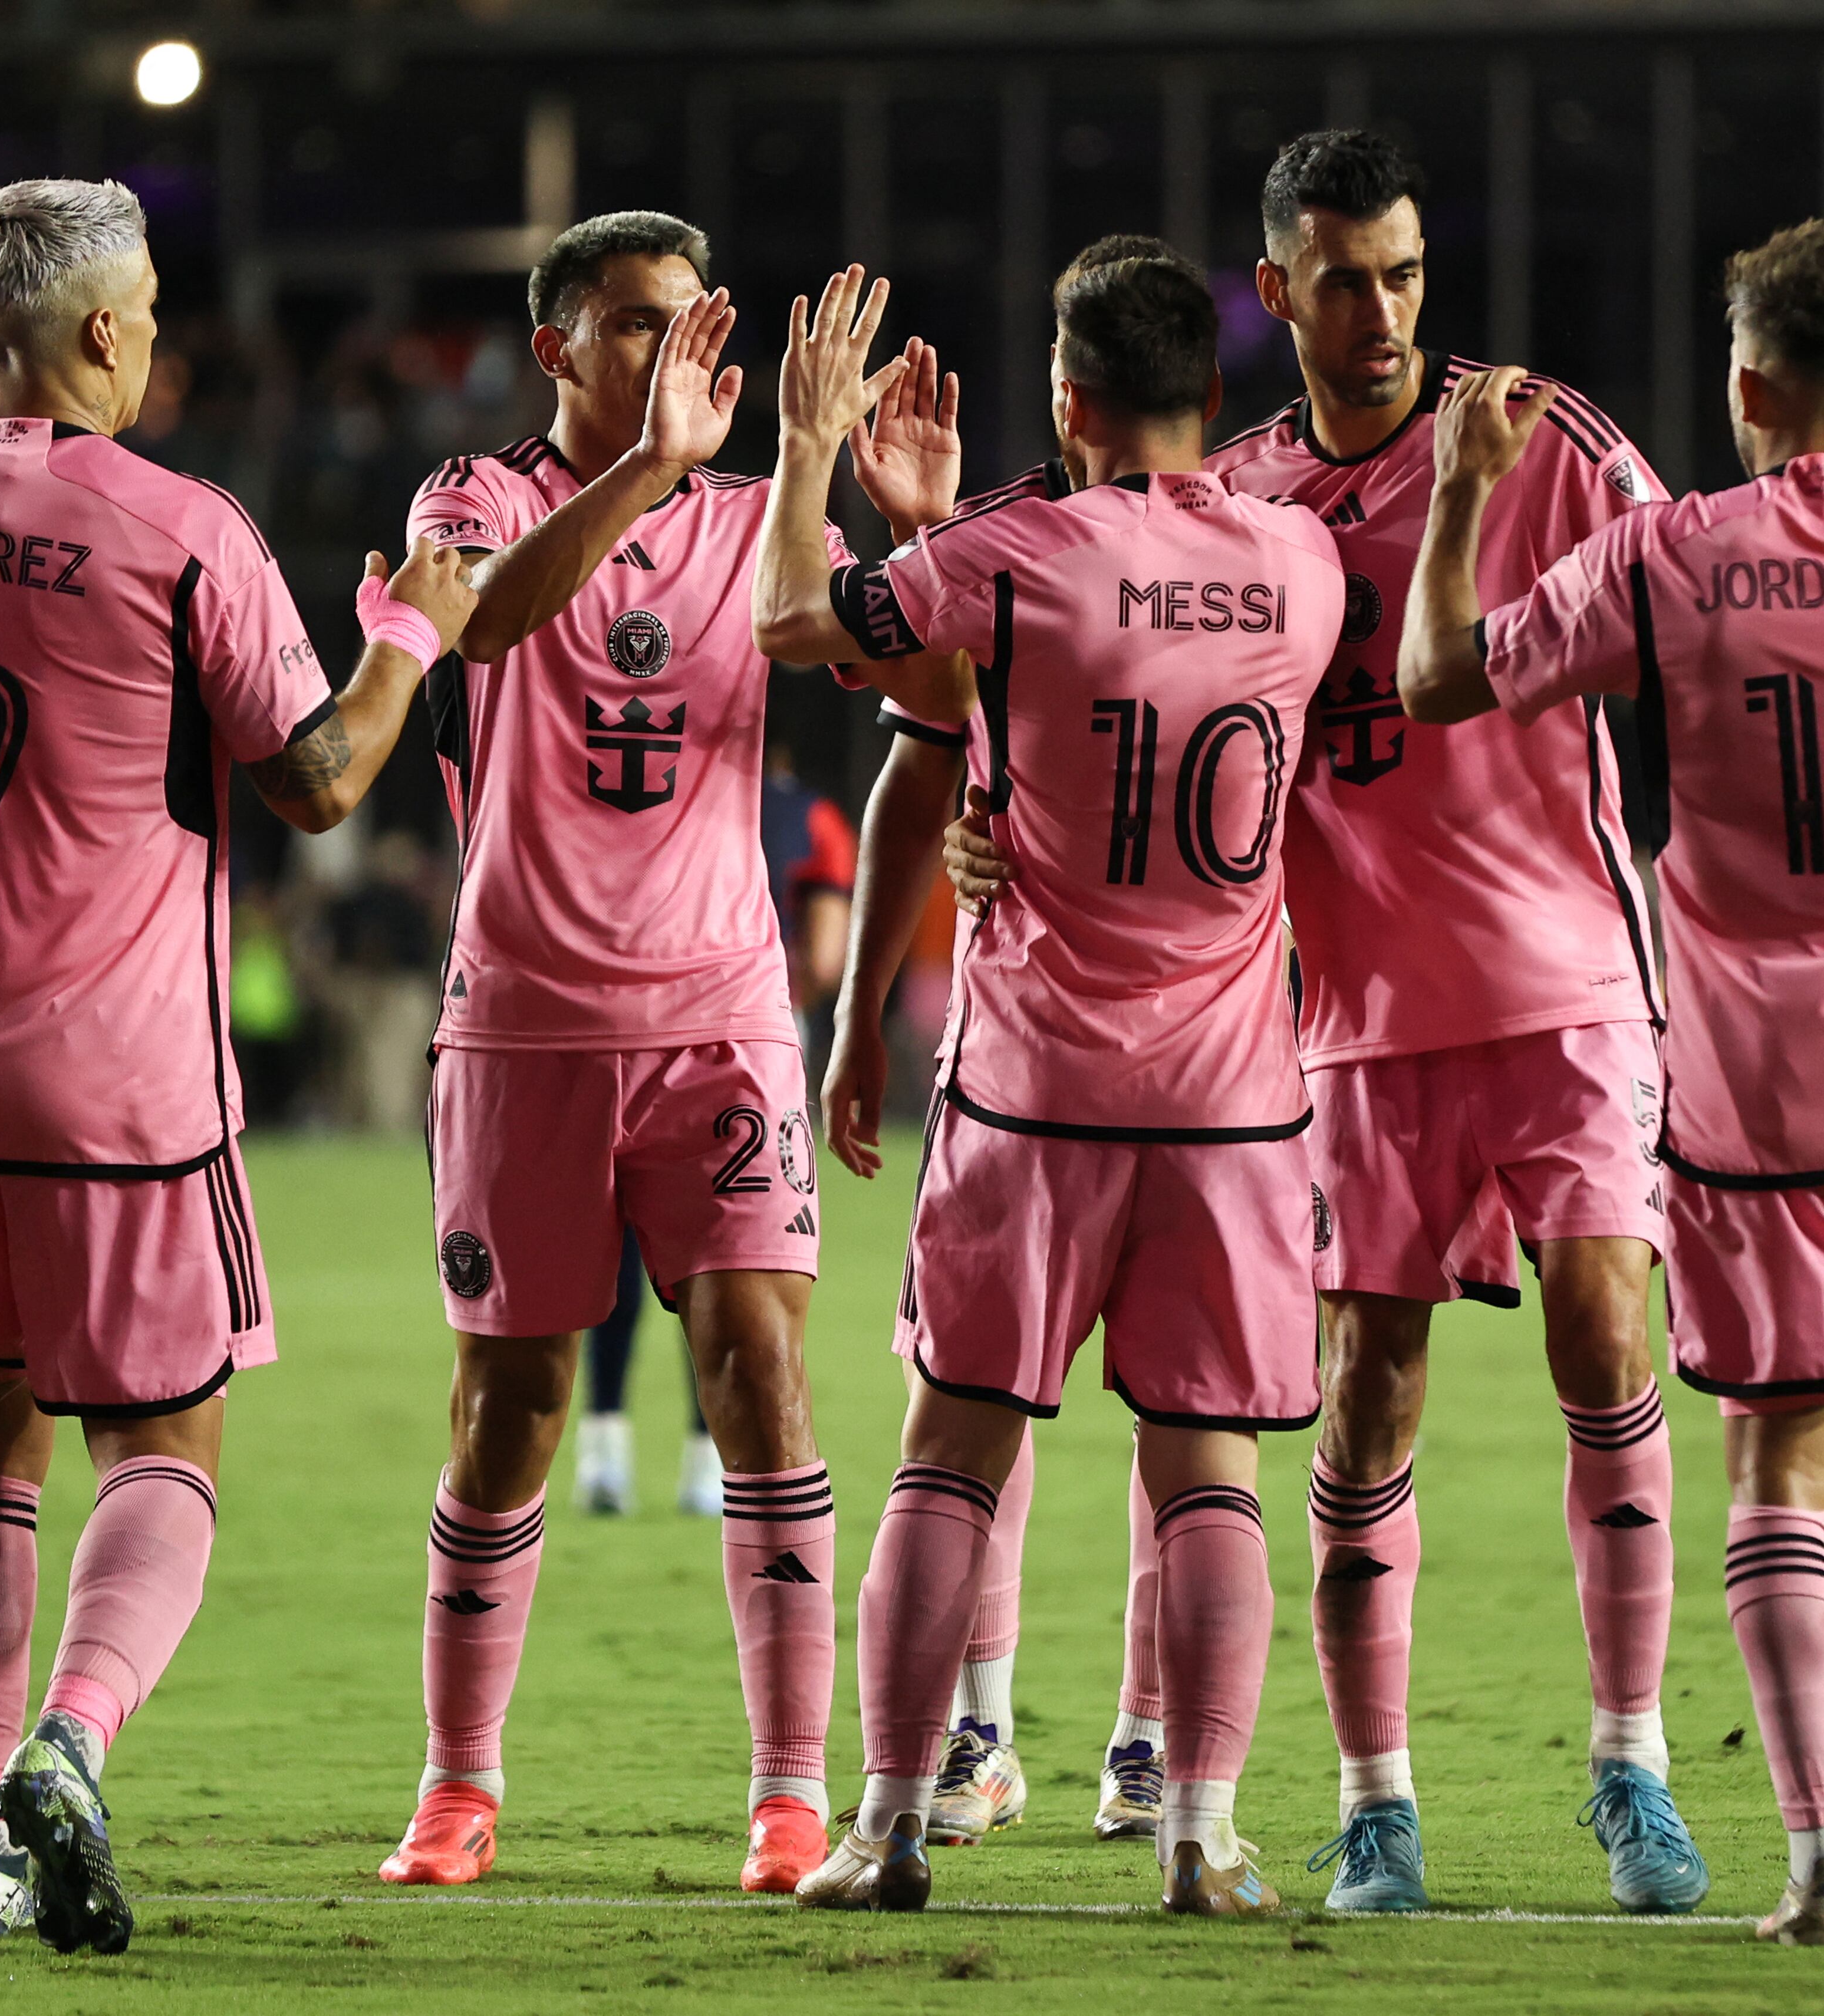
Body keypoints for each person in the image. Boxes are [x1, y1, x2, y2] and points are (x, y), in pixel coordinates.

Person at [945, 130, 1697, 1914]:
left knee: (1604, 1331)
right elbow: (1111, 703)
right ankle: (1378, 1800)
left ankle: (1634, 1764)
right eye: (1346, 279)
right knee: (1363, 1398)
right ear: (1273, 292)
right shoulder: (1247, 500)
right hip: (1350, 1021)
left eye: (1408, 275)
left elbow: (1704, 626)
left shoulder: (1549, 443)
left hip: (1568, 984)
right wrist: (998, 812)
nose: (1382, 315)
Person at [1395, 219, 1824, 1948]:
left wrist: (1467, 494)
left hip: (1757, 1091)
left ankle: (1823, 1857)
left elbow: (1437, 677)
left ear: (1748, 382)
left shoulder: (1670, 559)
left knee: (1780, 1463)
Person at [0, 178, 471, 1953]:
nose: (163, 330)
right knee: (164, 1437)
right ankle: (75, 1746)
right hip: (112, 1073)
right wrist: (411, 630)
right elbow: (318, 774)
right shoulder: (179, 527)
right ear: (104, 330)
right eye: (155, 305)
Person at [758, 251, 1345, 1918]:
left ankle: (883, 1824)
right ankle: (1203, 1832)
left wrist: (812, 450)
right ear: (1214, 401)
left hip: (1033, 1091)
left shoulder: (1014, 558)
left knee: (953, 1450)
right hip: (1233, 1099)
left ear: (1069, 400)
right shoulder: (1302, 561)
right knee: (1210, 1467)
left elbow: (797, 621)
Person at [376, 211, 860, 1900]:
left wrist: (803, 459)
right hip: (522, 1023)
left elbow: (824, 634)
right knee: (510, 1407)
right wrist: (649, 475)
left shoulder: (743, 516)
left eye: (691, 321)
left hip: (722, 1016)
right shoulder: (478, 495)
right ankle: (458, 1785)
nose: (672, 351)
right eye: (638, 322)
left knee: (760, 1374)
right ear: (559, 349)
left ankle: (791, 1795)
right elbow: (489, 623)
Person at [819, 237, 1183, 1853]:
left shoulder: (1243, 527)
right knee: (988, 1391)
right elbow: (925, 766)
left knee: (1178, 1406)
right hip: (1028, 1034)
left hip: (1207, 1042)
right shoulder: (1006, 534)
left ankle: (1152, 1736)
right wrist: (916, 529)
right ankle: (982, 1733)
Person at [574, 744, 855, 1523]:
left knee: (618, 1252)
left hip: (623, 1028)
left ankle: (603, 1452)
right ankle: (710, 1465)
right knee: (729, 1263)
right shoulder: (812, 817)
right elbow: (827, 954)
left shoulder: (651, 785)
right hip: (752, 1045)